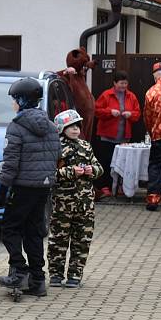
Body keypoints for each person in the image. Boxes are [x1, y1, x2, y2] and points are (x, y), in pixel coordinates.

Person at [0, 77, 60, 297]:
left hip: (22, 187)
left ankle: (18, 270)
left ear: (21, 100)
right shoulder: (51, 126)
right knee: (34, 231)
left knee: (9, 228)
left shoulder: (17, 126)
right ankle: (38, 280)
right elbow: (55, 157)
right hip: (43, 187)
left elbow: (11, 162)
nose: (13, 104)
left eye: (14, 99)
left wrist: (3, 188)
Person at [48, 109, 102, 288]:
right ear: (61, 128)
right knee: (58, 239)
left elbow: (99, 168)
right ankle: (55, 274)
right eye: (71, 126)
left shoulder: (86, 146)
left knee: (82, 241)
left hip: (85, 204)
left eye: (77, 126)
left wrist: (91, 171)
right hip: (62, 204)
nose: (75, 130)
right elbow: (48, 174)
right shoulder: (55, 147)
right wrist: (70, 172)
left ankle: (75, 275)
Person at [94, 71, 140, 199]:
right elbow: (97, 111)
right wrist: (110, 112)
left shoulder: (131, 96)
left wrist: (130, 114)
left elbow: (137, 113)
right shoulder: (106, 95)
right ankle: (105, 187)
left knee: (123, 163)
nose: (123, 86)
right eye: (121, 83)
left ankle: (120, 187)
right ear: (114, 83)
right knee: (107, 162)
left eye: (125, 83)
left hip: (124, 137)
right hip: (106, 136)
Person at [58, 47, 96, 142]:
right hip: (77, 115)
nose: (84, 69)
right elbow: (57, 75)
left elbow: (86, 67)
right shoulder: (68, 75)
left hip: (86, 115)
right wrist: (67, 72)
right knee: (79, 139)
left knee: (86, 140)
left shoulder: (80, 75)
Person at [144, 61, 161, 211]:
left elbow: (147, 116)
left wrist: (151, 131)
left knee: (156, 166)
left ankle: (153, 199)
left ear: (155, 75)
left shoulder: (151, 92)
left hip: (159, 135)